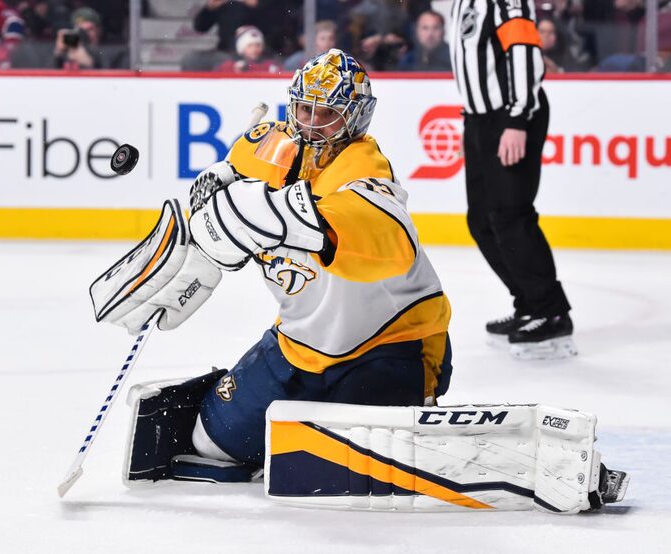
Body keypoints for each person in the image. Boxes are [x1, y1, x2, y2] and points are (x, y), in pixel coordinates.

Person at [103, 49, 452, 472]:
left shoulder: (364, 167)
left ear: (356, 117)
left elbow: (387, 242)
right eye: (303, 108)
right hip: (297, 344)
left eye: (326, 114)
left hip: (389, 345)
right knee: (213, 445)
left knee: (342, 462)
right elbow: (224, 196)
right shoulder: (267, 147)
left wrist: (277, 212)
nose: (309, 122)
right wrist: (202, 231)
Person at [449, 0, 575, 360]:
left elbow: (523, 51)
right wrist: (471, 124)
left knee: (510, 215)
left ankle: (550, 311)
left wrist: (517, 119)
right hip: (480, 119)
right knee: (481, 220)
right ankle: (530, 305)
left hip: (510, 115)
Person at [215, 25, 279, 73]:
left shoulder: (271, 65)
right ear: (241, 48)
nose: (254, 49)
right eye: (250, 46)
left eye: (258, 45)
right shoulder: (228, 66)